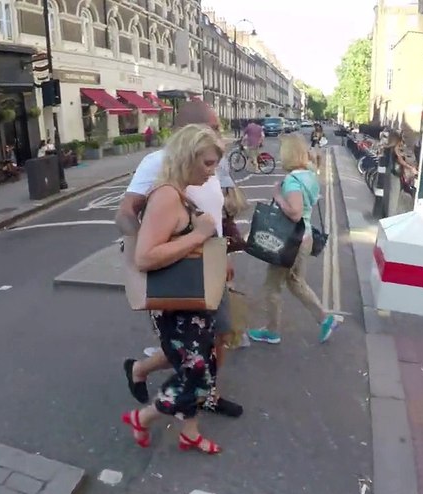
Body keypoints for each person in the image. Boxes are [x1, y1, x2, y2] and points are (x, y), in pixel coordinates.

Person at [115, 99, 243, 418]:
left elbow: (215, 212)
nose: (219, 131)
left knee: (221, 334)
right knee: (194, 350)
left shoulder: (209, 159)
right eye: (212, 127)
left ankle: (204, 394)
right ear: (190, 132)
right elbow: (126, 212)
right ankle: (157, 384)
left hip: (208, 263)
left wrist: (221, 254)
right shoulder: (157, 164)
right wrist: (142, 252)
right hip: (181, 269)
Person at [120, 124, 224, 455]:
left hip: (191, 305)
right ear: (186, 157)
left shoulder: (179, 193)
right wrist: (198, 235)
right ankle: (142, 417)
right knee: (194, 373)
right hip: (176, 308)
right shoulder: (166, 196)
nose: (212, 172)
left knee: (200, 369)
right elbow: (145, 256)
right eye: (207, 163)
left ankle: (189, 433)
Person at [247, 134, 338, 346]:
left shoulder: (292, 181)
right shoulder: (309, 175)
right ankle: (326, 319)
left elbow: (295, 213)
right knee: (295, 282)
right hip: (303, 238)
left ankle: (272, 331)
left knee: (272, 287)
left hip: (290, 241)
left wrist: (278, 195)